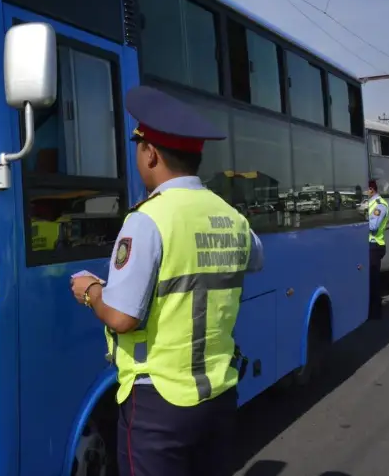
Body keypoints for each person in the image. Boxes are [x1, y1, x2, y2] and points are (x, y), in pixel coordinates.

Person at [70, 85, 264, 476]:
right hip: (219, 396)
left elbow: (123, 318)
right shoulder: (231, 217)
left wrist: (90, 291)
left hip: (158, 404)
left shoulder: (147, 220)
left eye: (138, 147)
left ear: (151, 153)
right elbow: (254, 260)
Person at [366, 179, 389, 320]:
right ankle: (370, 309)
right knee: (369, 279)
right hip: (369, 245)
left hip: (375, 245)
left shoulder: (380, 205)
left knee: (373, 279)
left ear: (371, 189)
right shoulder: (369, 203)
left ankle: (375, 312)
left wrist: (359, 219)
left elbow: (373, 226)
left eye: (366, 190)